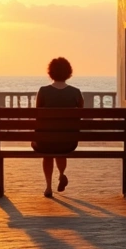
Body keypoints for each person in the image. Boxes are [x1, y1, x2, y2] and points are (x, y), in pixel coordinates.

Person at [34, 57, 83, 198]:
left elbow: (38, 115)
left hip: (45, 142)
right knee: (61, 144)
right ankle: (61, 174)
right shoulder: (75, 92)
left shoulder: (43, 91)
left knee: (47, 148)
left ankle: (48, 187)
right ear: (69, 72)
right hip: (68, 142)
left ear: (50, 72)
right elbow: (80, 116)